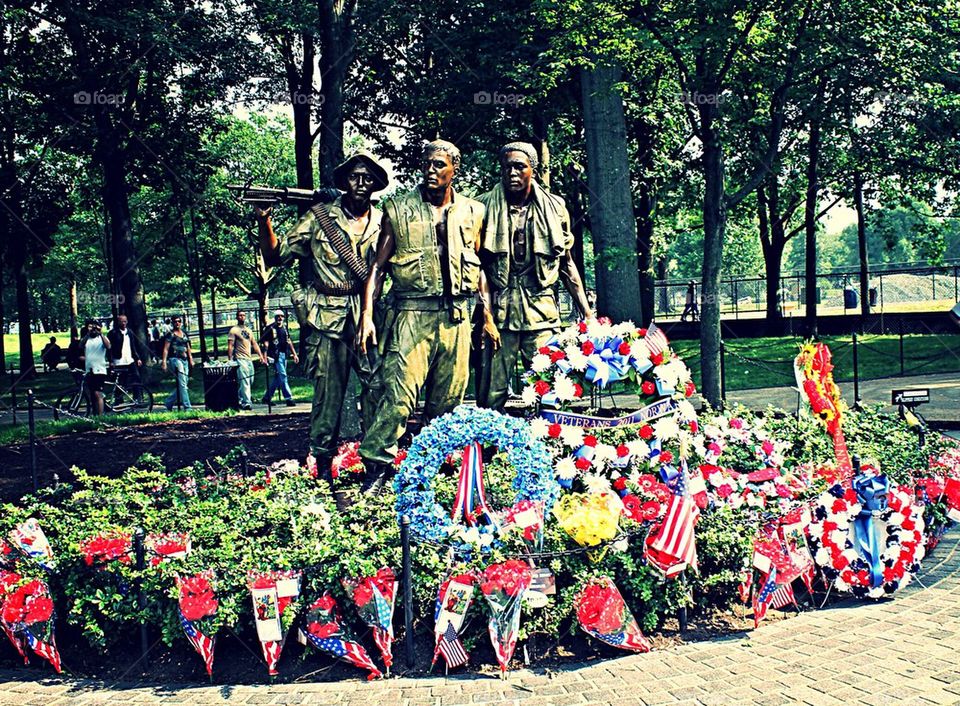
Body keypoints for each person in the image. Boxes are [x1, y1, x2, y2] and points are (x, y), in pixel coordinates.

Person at [357, 139, 498, 492]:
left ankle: (429, 467)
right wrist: (367, 315)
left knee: (448, 400)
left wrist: (487, 315)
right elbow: (378, 268)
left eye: (439, 164)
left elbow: (480, 267)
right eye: (427, 164)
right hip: (411, 314)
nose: (431, 170)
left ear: (455, 169)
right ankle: (377, 467)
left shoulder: (474, 211)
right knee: (399, 396)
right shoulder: (397, 209)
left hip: (456, 317)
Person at [256, 152, 389, 478]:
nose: (361, 183)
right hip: (327, 318)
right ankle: (324, 470)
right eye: (354, 177)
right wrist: (264, 220)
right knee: (328, 397)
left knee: (377, 389)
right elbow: (276, 256)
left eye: (368, 178)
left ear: (375, 184)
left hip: (369, 317)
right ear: (344, 182)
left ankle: (376, 467)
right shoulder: (319, 218)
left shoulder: (385, 220)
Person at [476, 141, 592, 410]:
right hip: (500, 312)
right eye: (507, 167)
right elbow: (478, 267)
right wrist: (486, 317)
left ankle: (550, 435)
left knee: (550, 389)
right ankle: (487, 437)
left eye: (520, 167)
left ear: (534, 171)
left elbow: (566, 263)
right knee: (491, 392)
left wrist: (587, 312)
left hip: (541, 311)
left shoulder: (555, 207)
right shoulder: (482, 207)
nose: (512, 173)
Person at [227, 310, 266, 410]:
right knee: (245, 381)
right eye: (240, 315)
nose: (242, 317)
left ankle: (239, 399)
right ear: (237, 317)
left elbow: (254, 344)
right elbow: (230, 345)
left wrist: (261, 356)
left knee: (250, 380)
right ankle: (246, 403)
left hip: (249, 359)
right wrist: (230, 359)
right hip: (240, 358)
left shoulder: (248, 330)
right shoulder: (234, 330)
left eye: (243, 315)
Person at [259, 310, 299, 407]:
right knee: (283, 375)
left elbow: (289, 341)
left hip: (283, 354)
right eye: (278, 316)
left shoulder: (284, 328)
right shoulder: (270, 328)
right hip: (275, 355)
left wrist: (294, 354)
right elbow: (265, 343)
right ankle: (288, 398)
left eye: (281, 316)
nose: (280, 318)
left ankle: (267, 397)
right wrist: (264, 356)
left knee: (278, 377)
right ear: (275, 317)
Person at [108, 314, 148, 401]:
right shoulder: (113, 333)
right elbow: (109, 348)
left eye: (125, 321)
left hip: (129, 360)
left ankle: (137, 398)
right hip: (118, 361)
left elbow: (133, 346)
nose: (123, 323)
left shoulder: (129, 332)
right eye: (121, 321)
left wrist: (137, 358)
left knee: (136, 377)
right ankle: (119, 399)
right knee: (121, 381)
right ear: (118, 322)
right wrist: (110, 360)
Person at [161, 316, 194, 410]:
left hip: (185, 360)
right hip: (175, 359)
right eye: (175, 321)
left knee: (183, 384)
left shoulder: (184, 333)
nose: (177, 323)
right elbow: (166, 349)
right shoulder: (170, 334)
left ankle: (168, 403)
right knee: (183, 384)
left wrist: (191, 359)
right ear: (172, 323)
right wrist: (164, 362)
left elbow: (188, 347)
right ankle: (188, 407)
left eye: (179, 321)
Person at [82, 319, 110, 415]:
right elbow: (80, 345)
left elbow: (108, 346)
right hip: (89, 369)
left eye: (95, 327)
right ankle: (95, 414)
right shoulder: (87, 339)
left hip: (99, 369)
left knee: (98, 393)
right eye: (91, 327)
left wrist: (100, 333)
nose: (93, 329)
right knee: (92, 394)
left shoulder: (102, 338)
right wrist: (88, 333)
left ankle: (100, 415)